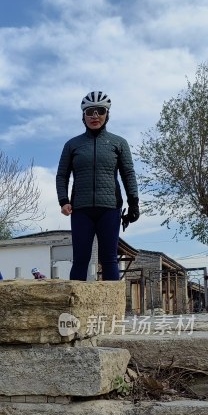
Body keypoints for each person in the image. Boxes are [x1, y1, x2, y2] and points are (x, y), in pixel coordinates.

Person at [56, 91, 139, 281]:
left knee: (109, 259)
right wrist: (63, 200)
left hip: (110, 208)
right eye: (90, 111)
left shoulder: (119, 143)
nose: (95, 116)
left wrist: (134, 203)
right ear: (83, 116)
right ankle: (74, 309)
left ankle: (113, 311)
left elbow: (128, 174)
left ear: (107, 114)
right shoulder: (72, 144)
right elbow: (62, 175)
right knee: (80, 260)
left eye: (100, 111)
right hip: (81, 209)